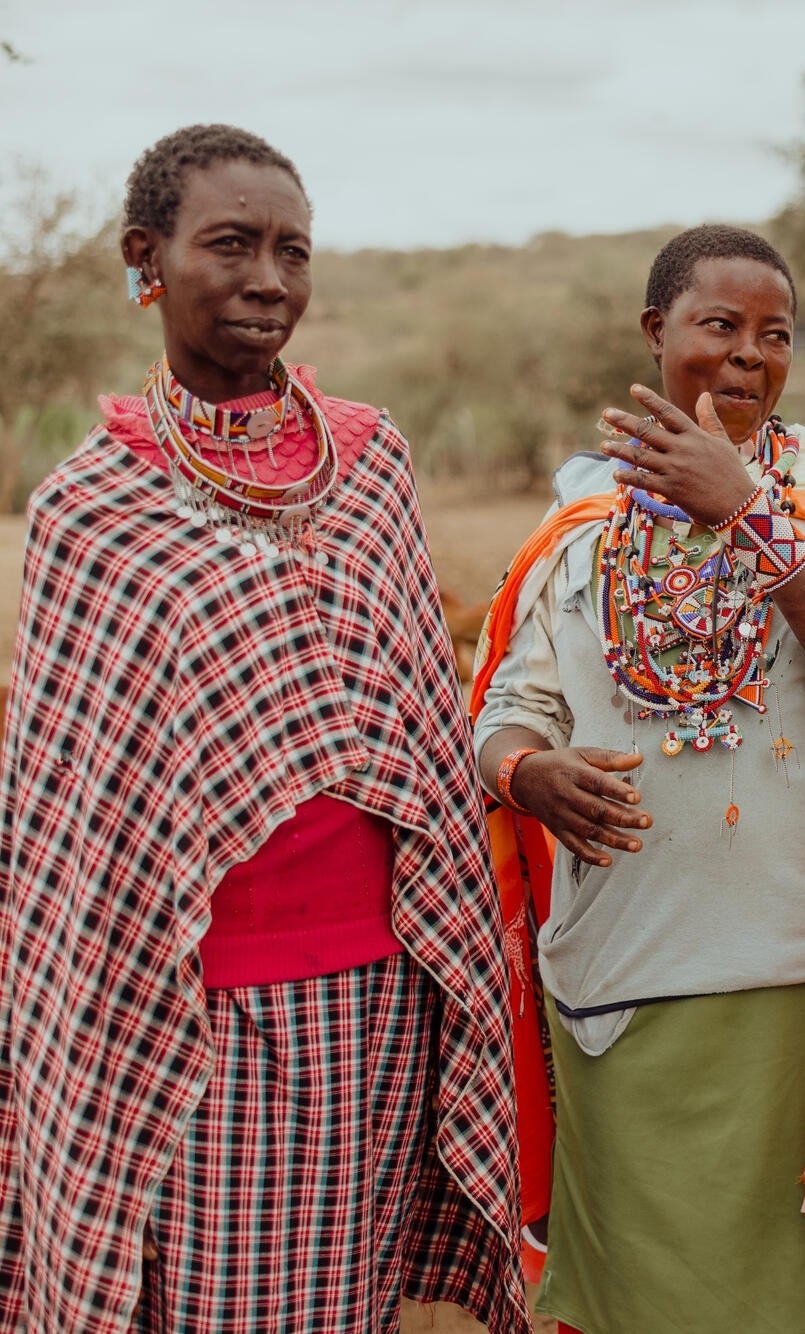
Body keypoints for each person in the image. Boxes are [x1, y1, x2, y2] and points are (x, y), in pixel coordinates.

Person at [0, 125, 528, 1332]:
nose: (268, 278)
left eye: (292, 249)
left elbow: (417, 724)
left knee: (346, 1301)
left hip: (387, 984)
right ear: (148, 258)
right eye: (228, 244)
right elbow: (74, 806)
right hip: (192, 1006)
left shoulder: (372, 460)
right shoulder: (91, 505)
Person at [469, 223, 805, 1334]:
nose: (749, 355)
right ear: (655, 330)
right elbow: (505, 714)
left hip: (798, 989)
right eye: (720, 324)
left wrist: (748, 513)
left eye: (777, 334)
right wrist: (529, 777)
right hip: (622, 989)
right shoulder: (578, 537)